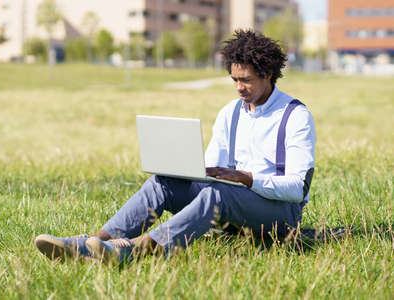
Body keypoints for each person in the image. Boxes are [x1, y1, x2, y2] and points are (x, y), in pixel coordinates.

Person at [35, 29, 316, 263]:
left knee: (218, 196)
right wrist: (191, 171)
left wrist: (245, 177)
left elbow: (296, 188)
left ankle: (136, 251)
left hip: (280, 216)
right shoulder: (230, 112)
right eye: (234, 80)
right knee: (163, 183)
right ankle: (94, 244)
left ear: (268, 74)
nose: (239, 88)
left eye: (246, 80)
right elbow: (211, 175)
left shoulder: (295, 116)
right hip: (231, 209)